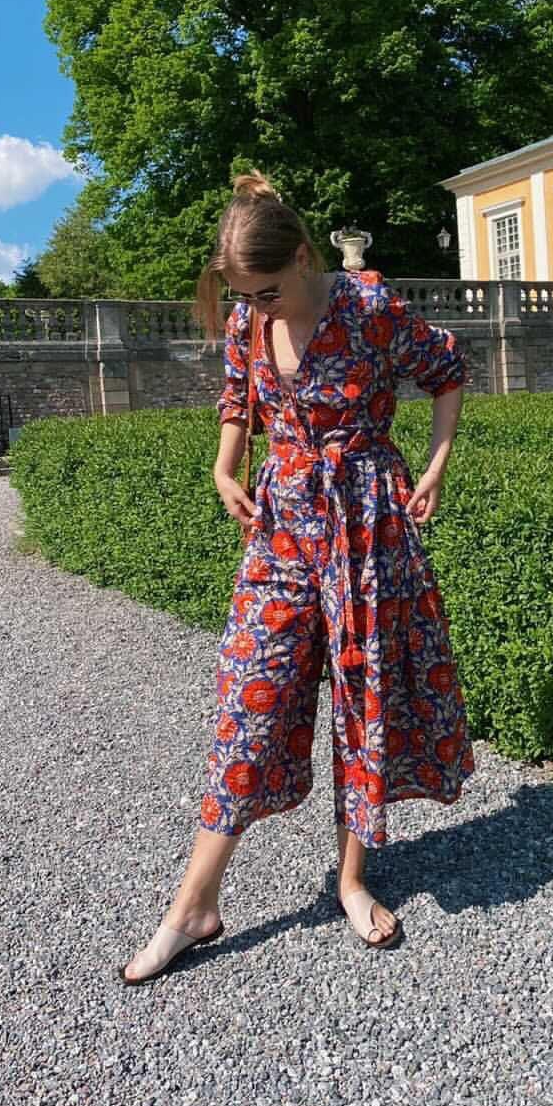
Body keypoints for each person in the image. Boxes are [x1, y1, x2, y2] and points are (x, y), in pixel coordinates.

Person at [119, 169, 475, 984]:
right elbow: (237, 397)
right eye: (247, 295)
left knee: (362, 696)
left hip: (366, 523)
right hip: (281, 528)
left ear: (306, 256)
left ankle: (351, 879)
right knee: (250, 697)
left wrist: (435, 466)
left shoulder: (369, 306)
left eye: (269, 290)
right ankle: (195, 904)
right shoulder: (250, 317)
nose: (259, 308)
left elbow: (448, 369)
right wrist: (224, 465)